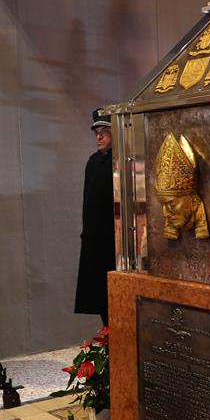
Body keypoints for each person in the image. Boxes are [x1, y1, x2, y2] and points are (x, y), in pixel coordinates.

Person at [75, 110, 117, 328]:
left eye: (105, 132)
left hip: (114, 240)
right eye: (97, 133)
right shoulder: (93, 162)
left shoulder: (120, 162)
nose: (99, 137)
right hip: (94, 239)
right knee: (99, 293)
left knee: (114, 293)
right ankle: (107, 334)